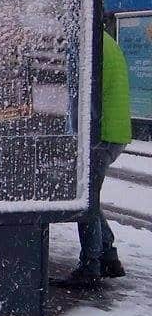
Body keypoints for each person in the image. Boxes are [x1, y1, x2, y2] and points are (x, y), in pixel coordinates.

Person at [64, 25, 132, 287]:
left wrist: (79, 135)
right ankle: (108, 256)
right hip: (114, 131)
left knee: (85, 201)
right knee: (90, 197)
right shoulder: (104, 40)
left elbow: (81, 94)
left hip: (98, 135)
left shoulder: (85, 43)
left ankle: (90, 266)